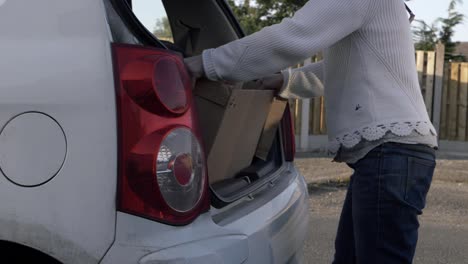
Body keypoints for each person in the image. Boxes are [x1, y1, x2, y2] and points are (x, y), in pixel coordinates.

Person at [184, 0, 437, 263]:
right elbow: (342, 68)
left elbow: (292, 36)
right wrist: (286, 80)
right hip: (392, 155)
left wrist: (205, 63)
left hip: (391, 154)